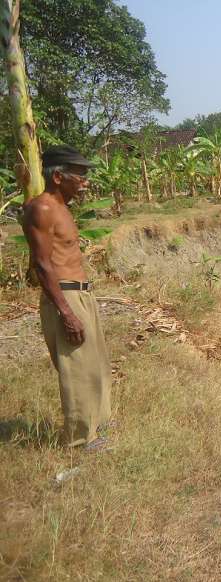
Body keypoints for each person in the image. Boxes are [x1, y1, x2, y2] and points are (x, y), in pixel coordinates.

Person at [22, 145, 112, 450]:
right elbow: (42, 265)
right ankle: (80, 439)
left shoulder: (61, 207)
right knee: (78, 369)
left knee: (95, 363)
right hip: (66, 297)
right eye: (80, 175)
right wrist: (66, 313)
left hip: (81, 294)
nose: (85, 182)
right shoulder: (43, 209)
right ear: (58, 177)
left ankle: (97, 424)